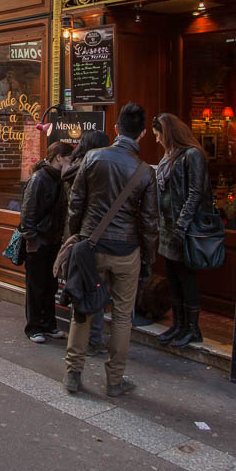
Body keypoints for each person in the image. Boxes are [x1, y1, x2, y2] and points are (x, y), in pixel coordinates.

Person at [64, 103, 158, 397]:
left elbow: (76, 202)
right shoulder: (145, 172)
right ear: (142, 134)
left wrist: (78, 236)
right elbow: (150, 223)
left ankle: (73, 373)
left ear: (116, 129)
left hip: (92, 246)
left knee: (83, 307)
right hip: (126, 251)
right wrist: (149, 259)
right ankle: (115, 380)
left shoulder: (93, 158)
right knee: (121, 316)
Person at [153, 113, 213, 349]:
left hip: (182, 227)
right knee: (173, 276)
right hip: (168, 226)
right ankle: (178, 325)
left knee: (186, 277)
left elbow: (195, 192)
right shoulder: (170, 156)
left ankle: (192, 328)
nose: (157, 140)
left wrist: (182, 224)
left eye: (159, 135)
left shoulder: (192, 155)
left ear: (168, 134)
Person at [62, 130, 112, 356]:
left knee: (79, 285)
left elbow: (74, 206)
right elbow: (81, 204)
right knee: (95, 287)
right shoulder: (94, 168)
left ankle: (78, 344)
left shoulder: (73, 166)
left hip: (77, 236)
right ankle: (92, 340)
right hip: (90, 236)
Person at [19, 141, 74, 343]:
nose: (72, 161)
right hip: (39, 240)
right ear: (59, 157)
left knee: (50, 285)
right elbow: (28, 213)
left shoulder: (61, 179)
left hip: (53, 240)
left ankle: (49, 325)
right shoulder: (39, 179)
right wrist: (31, 239)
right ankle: (34, 327)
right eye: (69, 157)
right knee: (36, 286)